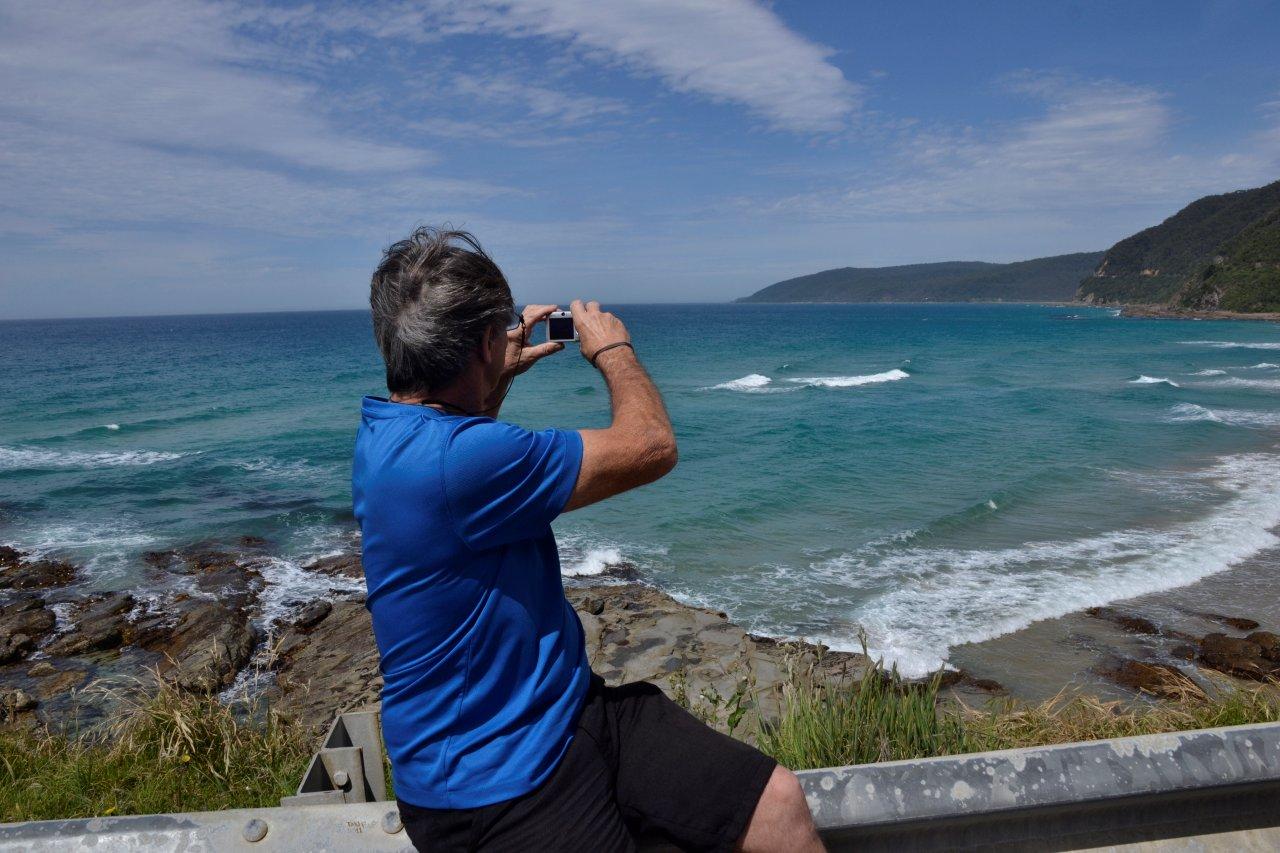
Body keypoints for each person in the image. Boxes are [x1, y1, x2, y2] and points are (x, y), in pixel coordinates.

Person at [354, 227, 824, 852]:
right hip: (491, 781)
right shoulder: (460, 462)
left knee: (776, 805)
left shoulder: (391, 432)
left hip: (567, 708)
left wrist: (496, 376)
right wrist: (614, 351)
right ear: (487, 342)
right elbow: (652, 447)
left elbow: (459, 452)